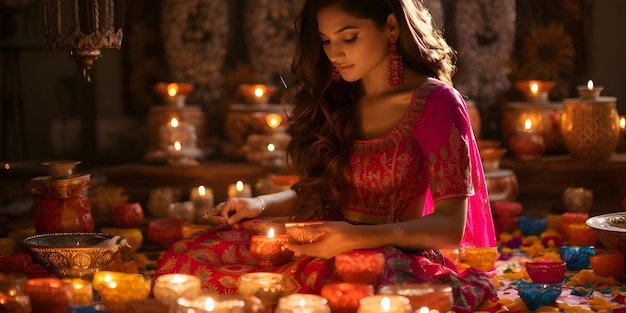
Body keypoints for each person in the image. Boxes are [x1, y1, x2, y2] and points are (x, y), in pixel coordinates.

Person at [154, 0, 498, 311]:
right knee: (188, 257)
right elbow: (324, 188)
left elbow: (450, 226)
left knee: (336, 294)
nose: (335, 53)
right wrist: (258, 204)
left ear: (391, 27)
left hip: (388, 255)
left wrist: (356, 237)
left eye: (349, 38)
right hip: (325, 241)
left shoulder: (436, 102)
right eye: (326, 40)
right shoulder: (339, 98)